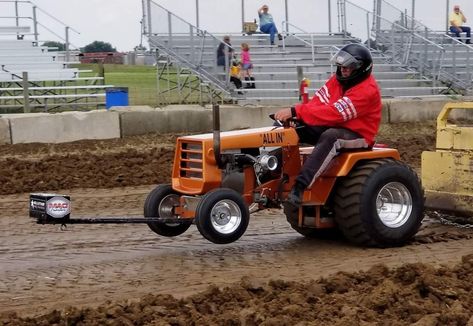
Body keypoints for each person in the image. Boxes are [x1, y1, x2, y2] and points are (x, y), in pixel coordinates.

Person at [273, 43, 382, 212]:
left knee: (331, 137)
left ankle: (300, 188)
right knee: (288, 129)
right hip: (335, 125)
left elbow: (335, 113)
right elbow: (318, 103)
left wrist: (297, 111)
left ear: (361, 68)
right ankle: (272, 171)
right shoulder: (336, 80)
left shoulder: (367, 91)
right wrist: (297, 118)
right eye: (341, 67)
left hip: (358, 134)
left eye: (348, 68)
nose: (343, 70)